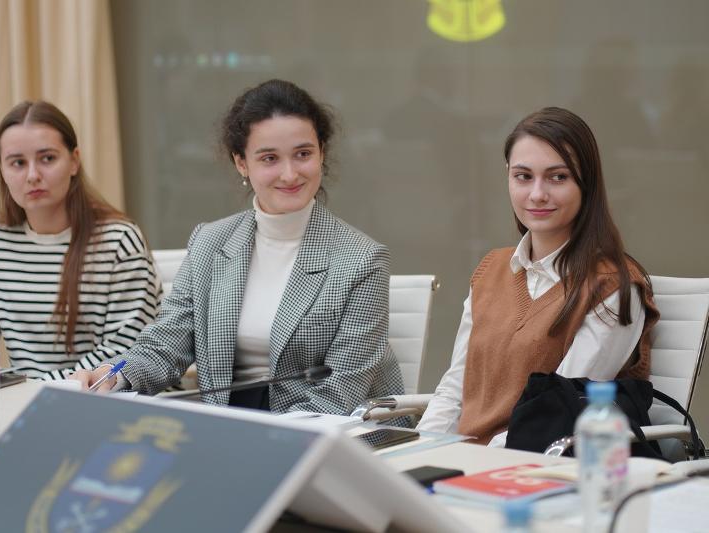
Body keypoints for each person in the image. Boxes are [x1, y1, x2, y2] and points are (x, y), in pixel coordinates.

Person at [74, 79, 404, 414]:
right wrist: (112, 375)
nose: (290, 174)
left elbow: (340, 391)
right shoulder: (209, 241)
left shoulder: (362, 259)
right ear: (242, 163)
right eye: (269, 158)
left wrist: (263, 436)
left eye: (303, 154)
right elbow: (165, 345)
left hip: (325, 427)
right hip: (228, 420)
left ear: (321, 153)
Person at [416, 107, 659, 445]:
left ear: (586, 183)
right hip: (466, 458)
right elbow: (455, 387)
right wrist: (420, 449)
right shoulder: (491, 270)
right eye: (523, 176)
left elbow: (556, 411)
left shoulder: (612, 286)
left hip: (536, 462)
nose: (537, 194)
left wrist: (474, 457)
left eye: (558, 177)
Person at [0, 101, 162, 380]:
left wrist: (32, 388)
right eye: (18, 163)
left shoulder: (119, 241)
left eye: (47, 159)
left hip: (100, 397)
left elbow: (125, 353)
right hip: (21, 399)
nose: (33, 176)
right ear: (2, 171)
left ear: (74, 161)